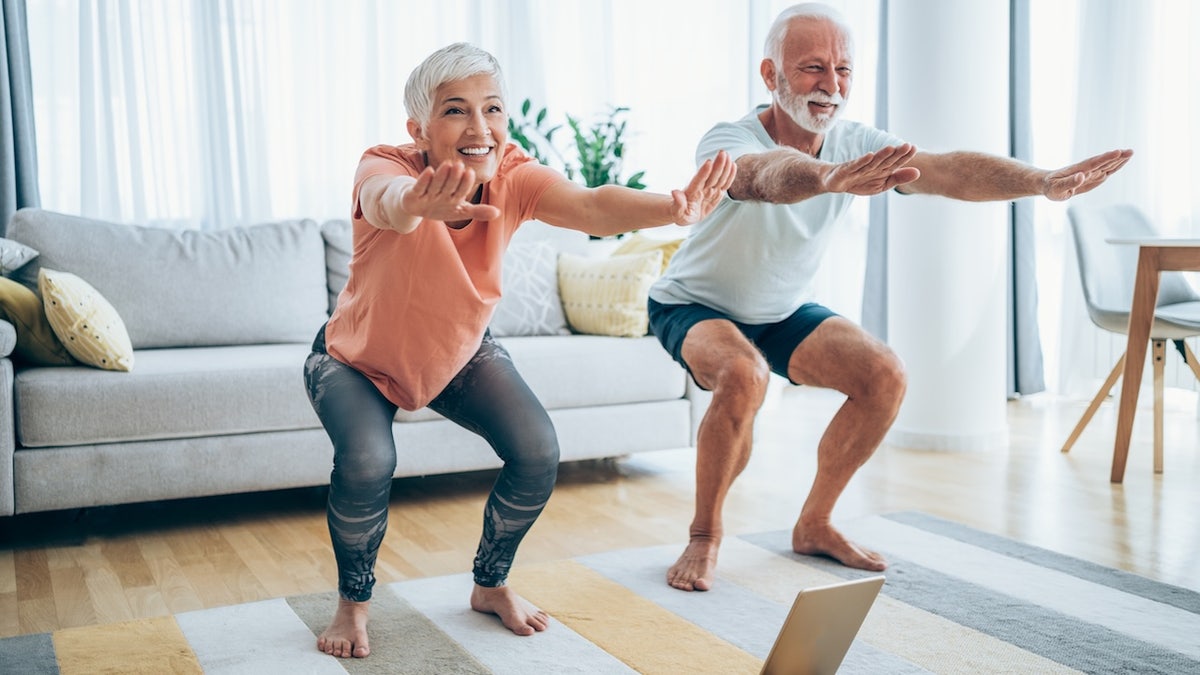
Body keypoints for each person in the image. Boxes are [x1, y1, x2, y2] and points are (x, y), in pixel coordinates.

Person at [647, 2, 1132, 592]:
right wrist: (825, 177)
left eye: (844, 70)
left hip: (780, 309)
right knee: (745, 374)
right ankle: (704, 536)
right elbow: (760, 177)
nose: (831, 86)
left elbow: (946, 170)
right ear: (770, 76)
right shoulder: (729, 139)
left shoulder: (856, 141)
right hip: (694, 303)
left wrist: (1042, 182)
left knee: (884, 375)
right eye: (812, 68)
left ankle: (816, 523)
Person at [302, 42, 735, 658]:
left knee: (537, 453)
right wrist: (415, 204)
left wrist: (672, 207)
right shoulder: (385, 164)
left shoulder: (511, 174)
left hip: (455, 350)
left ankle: (490, 584)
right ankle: (354, 604)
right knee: (367, 462)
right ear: (419, 129)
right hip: (354, 358)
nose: (479, 128)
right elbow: (385, 203)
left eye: (492, 108)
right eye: (456, 111)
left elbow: (590, 204)